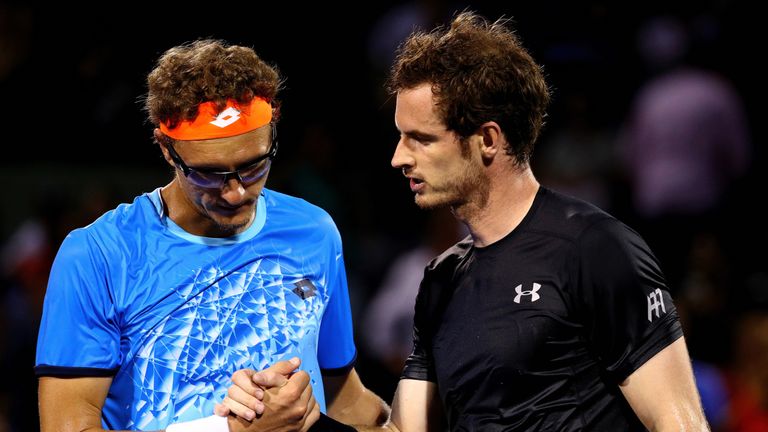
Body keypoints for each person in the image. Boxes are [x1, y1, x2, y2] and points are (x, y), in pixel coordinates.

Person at [222, 12, 710, 431]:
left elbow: (679, 422)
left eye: (421, 139)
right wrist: (299, 422)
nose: (398, 158)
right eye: (400, 137)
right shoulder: (442, 280)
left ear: (488, 139)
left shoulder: (596, 248)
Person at [34, 39, 388, 431]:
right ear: (167, 148)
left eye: (254, 166)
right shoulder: (97, 255)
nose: (236, 192)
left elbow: (341, 395)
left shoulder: (314, 232)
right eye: (208, 173)